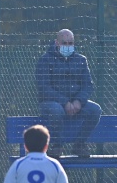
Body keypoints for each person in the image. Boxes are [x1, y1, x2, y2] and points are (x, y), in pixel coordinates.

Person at [35, 28, 102, 158]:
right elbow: (43, 87)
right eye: (64, 43)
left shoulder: (81, 60)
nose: (67, 46)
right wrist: (64, 102)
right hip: (50, 104)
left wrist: (78, 101)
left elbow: (88, 85)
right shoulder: (45, 60)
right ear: (57, 43)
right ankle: (57, 146)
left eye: (70, 43)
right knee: (56, 110)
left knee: (95, 110)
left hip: (75, 103)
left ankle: (79, 144)